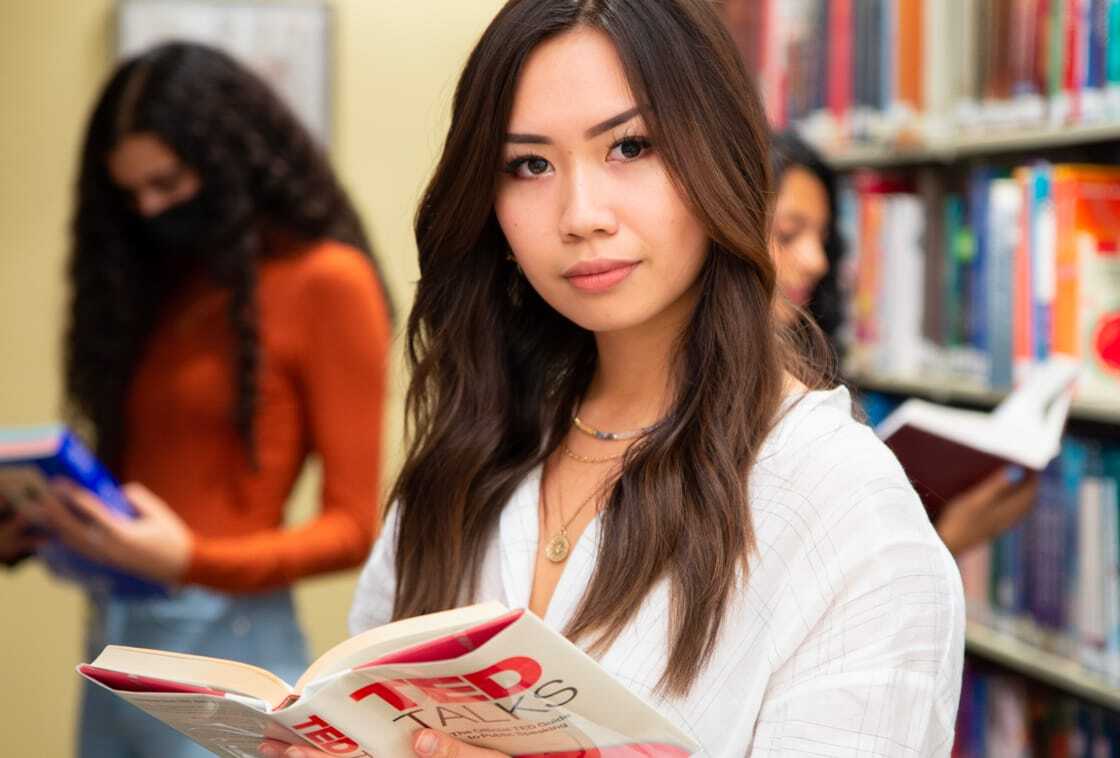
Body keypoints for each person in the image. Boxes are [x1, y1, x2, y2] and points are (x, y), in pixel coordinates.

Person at [263, 1, 963, 756]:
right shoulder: (469, 455)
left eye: (630, 146)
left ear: (721, 156)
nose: (581, 214)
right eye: (529, 164)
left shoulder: (840, 508)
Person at [36, 42, 392, 758]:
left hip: (229, 645)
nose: (150, 209)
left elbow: (354, 528)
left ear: (233, 158)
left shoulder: (327, 282)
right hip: (116, 640)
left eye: (167, 183)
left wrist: (189, 559)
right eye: (131, 194)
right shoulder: (168, 289)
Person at [768, 129, 1042, 556]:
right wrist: (947, 541)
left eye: (823, 240)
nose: (816, 261)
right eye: (787, 234)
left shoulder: (812, 368)